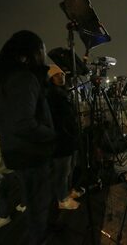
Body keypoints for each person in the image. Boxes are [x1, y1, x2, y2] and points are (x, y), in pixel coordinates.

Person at [0, 30, 55, 244]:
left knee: (33, 206)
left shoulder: (8, 78)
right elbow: (23, 123)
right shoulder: (24, 78)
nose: (44, 55)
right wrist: (50, 134)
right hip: (31, 154)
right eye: (42, 50)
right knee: (38, 209)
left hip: (18, 153)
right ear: (32, 52)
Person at [47, 65, 80, 210]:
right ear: (50, 79)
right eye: (56, 75)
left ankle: (68, 191)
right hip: (61, 140)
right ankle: (62, 199)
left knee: (70, 167)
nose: (61, 77)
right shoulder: (51, 96)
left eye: (62, 75)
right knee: (62, 171)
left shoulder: (64, 93)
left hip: (70, 138)